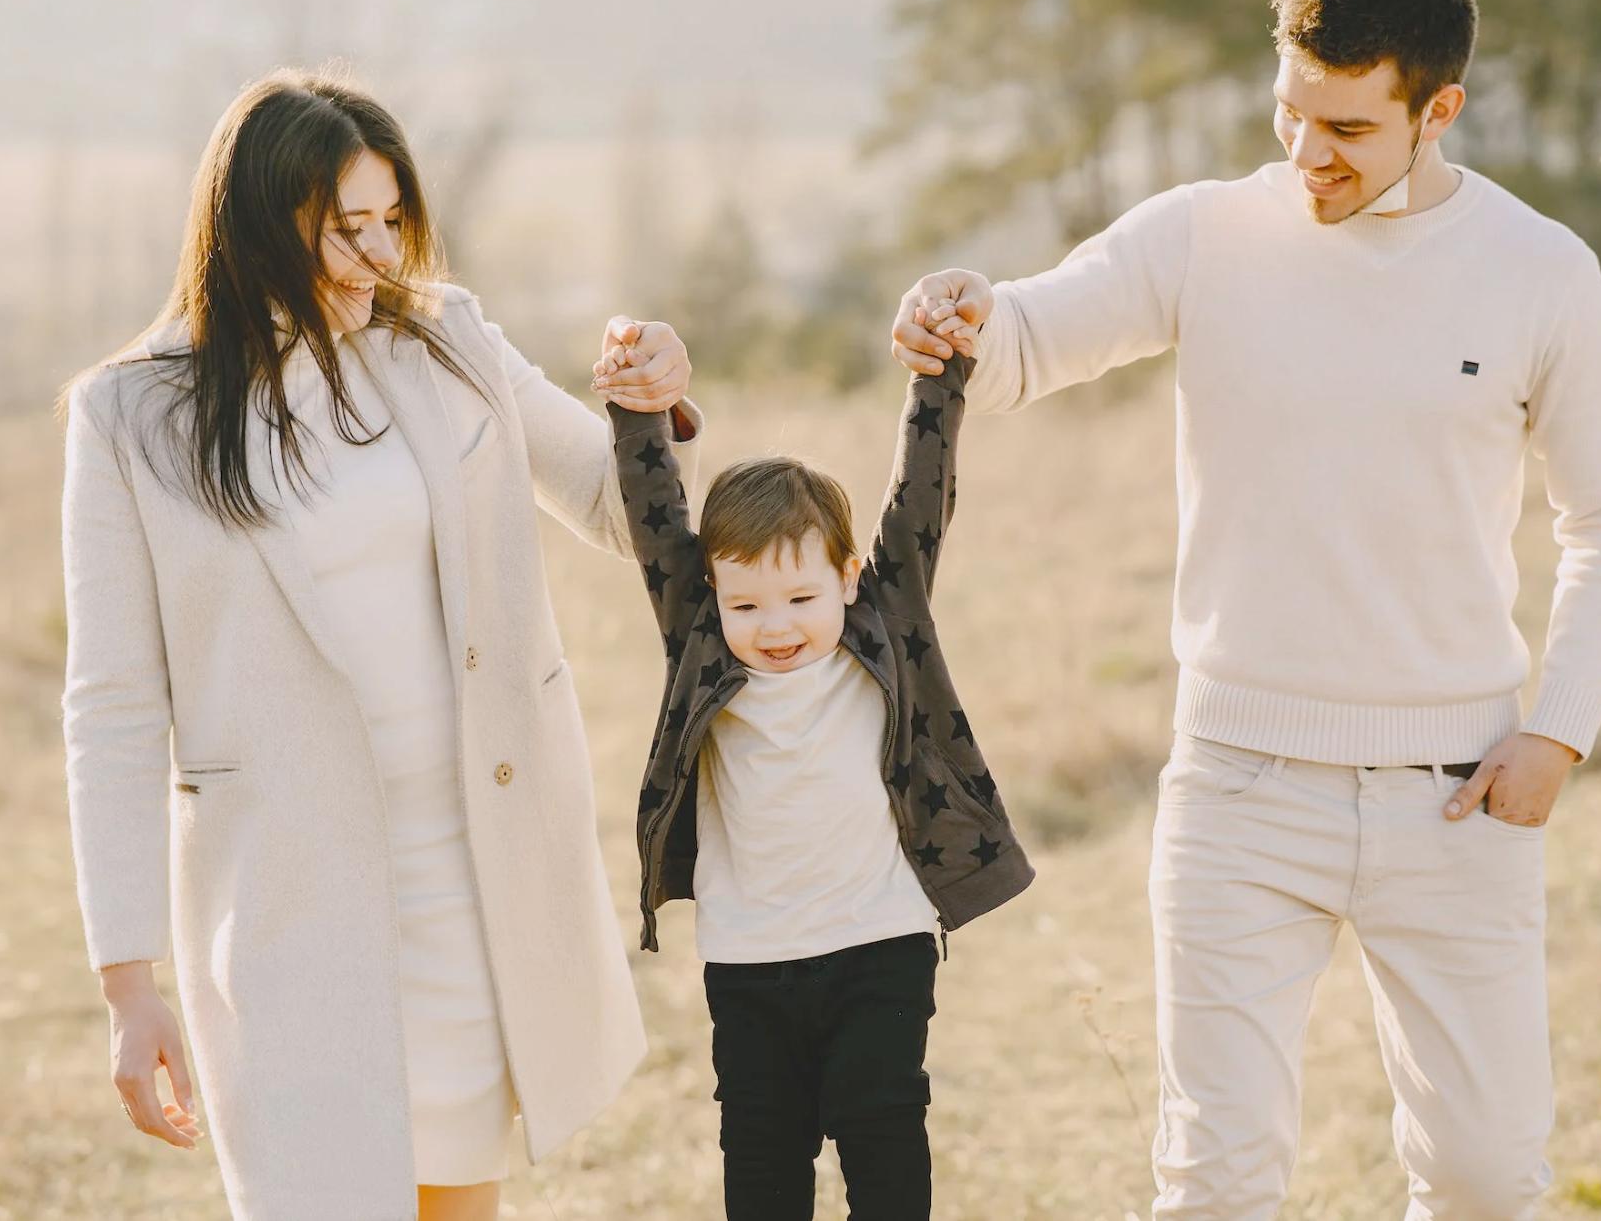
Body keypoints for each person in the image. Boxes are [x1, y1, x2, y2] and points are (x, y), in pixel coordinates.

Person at [892, 0, 1601, 1219]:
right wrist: (964, 313)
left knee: (1483, 1178)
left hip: (1458, 793)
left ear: (1438, 110)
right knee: (1217, 1181)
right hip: (1236, 791)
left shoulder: (1539, 271)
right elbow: (1029, 333)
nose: (1307, 152)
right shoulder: (1203, 233)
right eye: (1288, 112)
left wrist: (1558, 732)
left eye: (1347, 127)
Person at [58, 69, 696, 1221]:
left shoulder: (446, 338)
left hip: (468, 871)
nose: (376, 255)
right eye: (341, 227)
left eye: (390, 219)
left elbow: (619, 511)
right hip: (287, 901)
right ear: (255, 225)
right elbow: (110, 707)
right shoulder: (131, 415)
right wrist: (127, 985)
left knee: (457, 1196)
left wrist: (646, 406)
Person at [594, 337, 1032, 1219]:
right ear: (713, 593)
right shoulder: (704, 643)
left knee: (885, 1142)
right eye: (746, 603)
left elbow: (921, 495)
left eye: (801, 598)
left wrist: (938, 372)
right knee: (762, 1163)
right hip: (749, 964)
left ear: (846, 576)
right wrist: (639, 409)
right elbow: (655, 517)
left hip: (880, 947)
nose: (776, 627)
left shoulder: (885, 622)